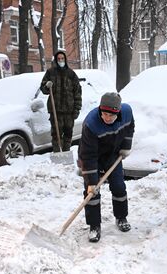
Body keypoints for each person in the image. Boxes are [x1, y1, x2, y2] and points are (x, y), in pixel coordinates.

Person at [78, 92, 135, 243]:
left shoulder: (127, 112)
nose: (107, 118)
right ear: (100, 110)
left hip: (113, 156)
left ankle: (121, 217)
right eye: (104, 114)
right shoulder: (91, 124)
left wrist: (126, 146)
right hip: (92, 158)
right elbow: (88, 155)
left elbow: (130, 128)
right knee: (92, 193)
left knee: (119, 187)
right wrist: (91, 181)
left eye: (111, 115)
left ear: (118, 112)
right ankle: (94, 226)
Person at [40, 51, 82, 152]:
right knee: (56, 134)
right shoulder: (50, 73)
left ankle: (66, 152)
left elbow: (78, 93)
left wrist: (76, 110)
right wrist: (46, 85)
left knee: (68, 133)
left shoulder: (71, 74)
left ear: (65, 59)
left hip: (69, 111)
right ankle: (57, 153)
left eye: (62, 59)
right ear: (56, 60)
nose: (61, 61)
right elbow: (43, 89)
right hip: (56, 111)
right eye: (58, 59)